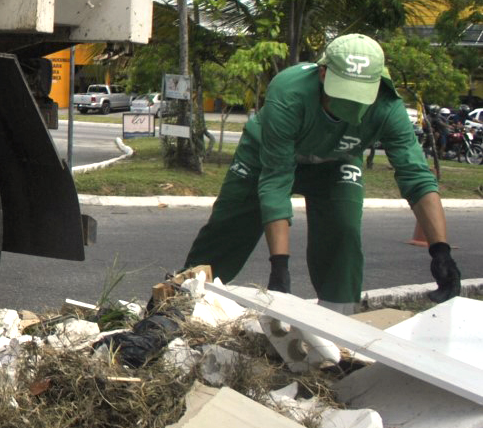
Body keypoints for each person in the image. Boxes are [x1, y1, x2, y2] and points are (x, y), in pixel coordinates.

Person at [182, 33, 462, 313]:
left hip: (335, 161)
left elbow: (416, 176)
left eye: (359, 95)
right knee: (228, 228)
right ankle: (175, 307)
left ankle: (338, 331)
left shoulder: (388, 108)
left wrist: (441, 251)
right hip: (264, 156)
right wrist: (279, 266)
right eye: (342, 93)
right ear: (323, 73)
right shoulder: (289, 93)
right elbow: (276, 179)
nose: (350, 105)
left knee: (344, 232)